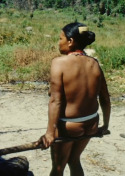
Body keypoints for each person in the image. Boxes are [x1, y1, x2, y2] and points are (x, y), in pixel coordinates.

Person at [38, 22, 111, 176]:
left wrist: (50, 133)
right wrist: (105, 125)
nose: (59, 42)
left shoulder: (59, 63)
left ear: (70, 41)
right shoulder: (95, 64)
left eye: (60, 39)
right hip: (91, 123)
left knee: (58, 167)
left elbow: (55, 101)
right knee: (74, 160)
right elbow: (105, 98)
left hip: (69, 126)